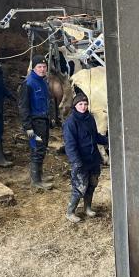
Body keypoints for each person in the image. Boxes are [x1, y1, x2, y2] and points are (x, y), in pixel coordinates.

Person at [63, 91, 108, 223]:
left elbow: (95, 136)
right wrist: (76, 162)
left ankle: (87, 207)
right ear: (75, 106)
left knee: (92, 184)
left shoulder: (90, 118)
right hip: (81, 161)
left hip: (93, 159)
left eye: (85, 104)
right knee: (80, 187)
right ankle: (70, 212)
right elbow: (70, 146)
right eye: (80, 104)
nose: (83, 107)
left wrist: (108, 140)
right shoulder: (71, 123)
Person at [19, 56, 54, 190]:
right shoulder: (28, 83)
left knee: (42, 147)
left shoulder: (43, 81)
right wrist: (28, 127)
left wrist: (50, 117)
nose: (42, 69)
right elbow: (23, 107)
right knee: (36, 149)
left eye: (44, 67)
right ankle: (36, 181)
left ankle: (40, 175)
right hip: (34, 123)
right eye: (39, 67)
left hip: (43, 121)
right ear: (33, 68)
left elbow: (47, 100)